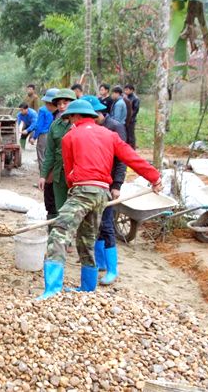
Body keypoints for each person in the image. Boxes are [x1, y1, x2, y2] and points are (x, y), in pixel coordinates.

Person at [38, 99, 162, 299]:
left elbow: (70, 171)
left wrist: (76, 191)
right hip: (102, 193)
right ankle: (87, 289)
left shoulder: (70, 137)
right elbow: (131, 157)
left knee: (58, 235)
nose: (69, 121)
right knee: (87, 238)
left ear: (76, 117)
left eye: (70, 118)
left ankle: (51, 291)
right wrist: (154, 178)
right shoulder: (110, 135)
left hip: (82, 190)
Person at [83, 95, 127, 285]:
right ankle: (100, 263)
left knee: (107, 225)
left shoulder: (114, 128)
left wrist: (117, 185)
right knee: (97, 224)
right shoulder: (93, 129)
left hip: (109, 185)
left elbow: (122, 159)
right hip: (95, 182)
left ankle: (112, 270)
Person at [37, 89, 76, 215]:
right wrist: (43, 175)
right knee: (58, 208)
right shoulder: (55, 125)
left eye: (65, 103)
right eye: (59, 104)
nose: (62, 106)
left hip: (77, 174)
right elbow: (50, 153)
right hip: (59, 173)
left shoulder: (80, 124)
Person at [30, 88, 58, 181]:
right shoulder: (58, 112)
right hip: (52, 134)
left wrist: (34, 136)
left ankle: (43, 179)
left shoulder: (43, 110)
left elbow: (39, 125)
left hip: (43, 135)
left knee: (42, 157)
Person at [124, 84, 140, 149]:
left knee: (131, 134)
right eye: (125, 89)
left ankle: (132, 148)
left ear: (132, 90)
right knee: (126, 134)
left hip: (131, 120)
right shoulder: (126, 97)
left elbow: (135, 110)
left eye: (127, 90)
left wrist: (130, 118)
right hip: (125, 119)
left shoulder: (135, 99)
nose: (125, 91)